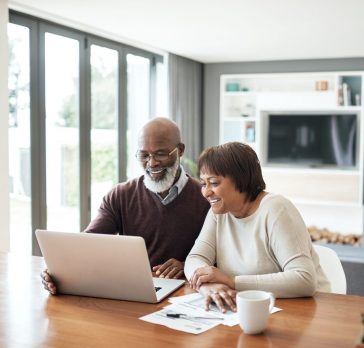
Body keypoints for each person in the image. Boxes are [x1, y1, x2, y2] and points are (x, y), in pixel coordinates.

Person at [41, 117, 210, 295]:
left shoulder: (206, 198)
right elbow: (88, 244)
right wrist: (58, 271)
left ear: (180, 150)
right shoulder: (120, 195)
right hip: (132, 293)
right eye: (144, 155)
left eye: (160, 154)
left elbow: (222, 261)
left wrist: (188, 266)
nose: (151, 163)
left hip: (185, 295)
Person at [185, 142, 330, 313]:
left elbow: (304, 280)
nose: (206, 192)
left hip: (310, 310)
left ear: (241, 179)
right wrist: (208, 286)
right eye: (203, 184)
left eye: (214, 183)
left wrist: (231, 281)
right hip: (253, 308)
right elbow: (195, 258)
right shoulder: (219, 213)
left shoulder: (276, 209)